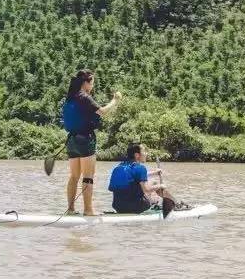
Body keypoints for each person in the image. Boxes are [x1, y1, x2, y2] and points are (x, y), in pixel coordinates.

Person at [62, 70, 121, 215]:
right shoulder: (84, 97)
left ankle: (70, 210)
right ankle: (88, 210)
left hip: (71, 140)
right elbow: (103, 112)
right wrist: (115, 100)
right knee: (88, 176)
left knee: (74, 176)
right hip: (85, 139)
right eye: (92, 82)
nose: (92, 86)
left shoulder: (70, 97)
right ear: (86, 83)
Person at [108, 142, 177, 214]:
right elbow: (146, 189)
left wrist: (154, 173)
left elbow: (133, 175)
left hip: (118, 207)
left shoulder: (118, 167)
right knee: (156, 189)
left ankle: (171, 203)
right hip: (136, 207)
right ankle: (176, 204)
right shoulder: (140, 168)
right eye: (144, 151)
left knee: (153, 182)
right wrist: (160, 186)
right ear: (137, 155)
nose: (146, 154)